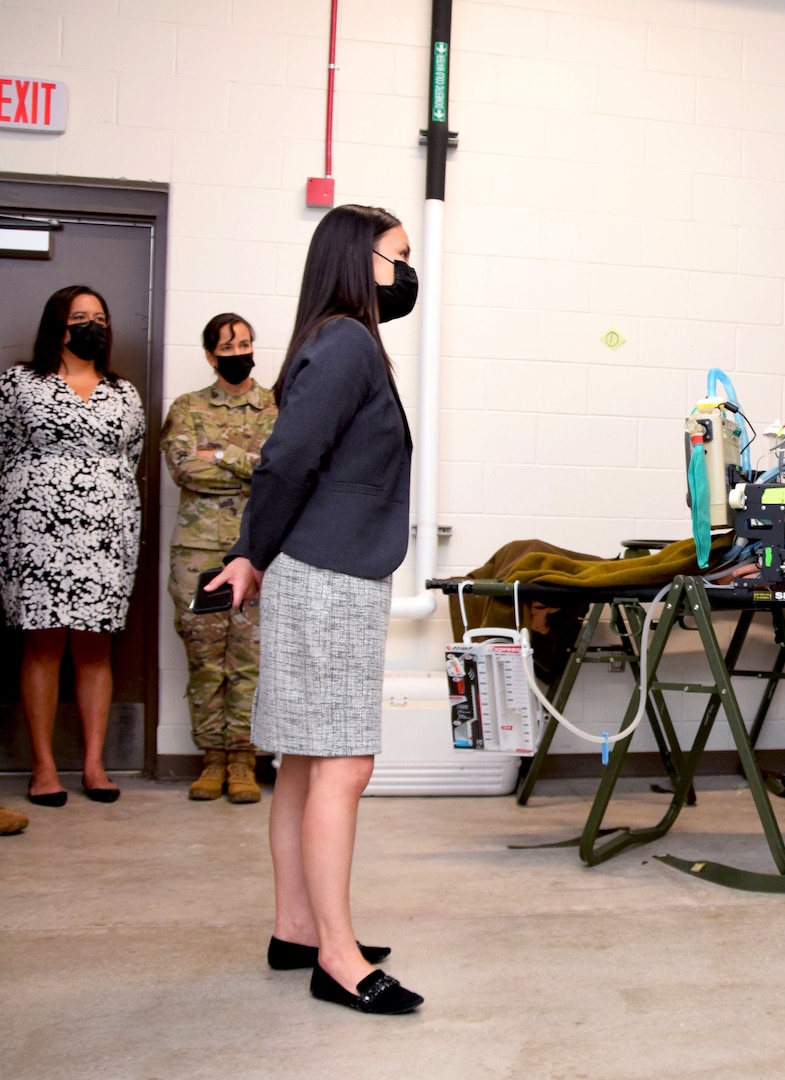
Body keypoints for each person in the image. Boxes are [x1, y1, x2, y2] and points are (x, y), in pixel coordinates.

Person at [213, 204, 423, 1014]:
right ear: (358, 259)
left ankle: (296, 927)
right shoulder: (346, 343)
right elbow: (287, 460)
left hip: (325, 568)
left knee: (306, 759)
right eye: (398, 257)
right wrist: (249, 551)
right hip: (327, 572)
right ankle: (336, 958)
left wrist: (257, 554)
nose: (407, 272)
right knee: (343, 762)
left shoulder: (338, 341)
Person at [0, 285, 145, 807]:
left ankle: (94, 764)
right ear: (56, 325)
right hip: (35, 531)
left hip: (107, 533)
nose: (91, 325)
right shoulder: (19, 383)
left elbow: (132, 458)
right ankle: (42, 767)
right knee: (43, 644)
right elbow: (4, 450)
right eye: (79, 316)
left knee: (94, 646)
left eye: (100, 317)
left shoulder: (124, 392)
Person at [162, 313, 278, 803]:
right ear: (211, 355)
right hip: (199, 555)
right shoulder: (187, 407)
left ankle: (243, 761)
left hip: (258, 552)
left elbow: (279, 470)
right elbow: (183, 469)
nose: (238, 354)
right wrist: (245, 465)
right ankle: (211, 759)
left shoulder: (276, 406)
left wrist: (219, 454)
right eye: (227, 348)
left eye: (245, 344)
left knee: (250, 661)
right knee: (206, 660)